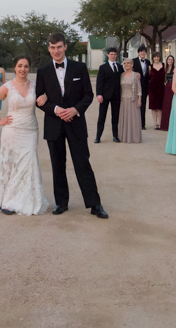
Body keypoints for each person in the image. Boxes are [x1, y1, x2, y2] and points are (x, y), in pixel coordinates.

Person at [35, 32, 108, 219]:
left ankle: (94, 204)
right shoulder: (42, 72)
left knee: (82, 163)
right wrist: (57, 109)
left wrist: (75, 110)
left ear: (65, 47)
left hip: (76, 123)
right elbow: (39, 100)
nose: (56, 51)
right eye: (52, 48)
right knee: (57, 164)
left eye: (59, 47)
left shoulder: (80, 68)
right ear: (48, 48)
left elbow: (88, 95)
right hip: (54, 125)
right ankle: (61, 202)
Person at [0, 55, 50, 215]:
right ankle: (8, 202)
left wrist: (45, 95)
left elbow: (48, 95)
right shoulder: (8, 87)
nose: (23, 69)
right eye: (20, 66)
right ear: (14, 68)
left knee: (28, 163)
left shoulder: (36, 86)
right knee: (12, 164)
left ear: (29, 69)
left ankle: (27, 200)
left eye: (26, 66)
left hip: (30, 130)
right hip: (12, 130)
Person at [95, 47, 122, 143]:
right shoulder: (103, 67)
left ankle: (115, 136)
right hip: (105, 95)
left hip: (116, 95)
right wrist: (99, 94)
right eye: (111, 54)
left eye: (115, 54)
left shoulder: (120, 67)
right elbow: (99, 82)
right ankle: (98, 136)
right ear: (108, 55)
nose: (113, 56)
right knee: (102, 116)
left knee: (115, 117)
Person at [117, 58, 143, 143]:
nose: (126, 65)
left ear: (132, 65)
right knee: (125, 118)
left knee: (133, 118)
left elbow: (139, 88)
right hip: (123, 100)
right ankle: (124, 136)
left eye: (128, 63)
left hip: (133, 99)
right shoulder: (121, 75)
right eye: (124, 63)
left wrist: (139, 99)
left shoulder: (135, 75)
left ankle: (134, 137)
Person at [132, 45, 151, 129]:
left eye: (144, 51)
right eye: (141, 51)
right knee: (135, 104)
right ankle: (134, 123)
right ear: (138, 52)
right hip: (135, 86)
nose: (143, 53)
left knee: (143, 105)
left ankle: (142, 124)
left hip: (145, 86)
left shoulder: (148, 62)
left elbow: (149, 74)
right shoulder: (133, 61)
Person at [148, 52, 166, 129]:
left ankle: (160, 122)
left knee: (160, 107)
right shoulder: (150, 67)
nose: (156, 58)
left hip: (161, 88)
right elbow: (148, 77)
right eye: (155, 57)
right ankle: (156, 124)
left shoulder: (164, 65)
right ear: (153, 58)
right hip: (153, 88)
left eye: (158, 57)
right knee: (154, 107)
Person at [158, 55, 175, 131]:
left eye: (171, 59)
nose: (170, 61)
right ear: (167, 60)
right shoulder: (165, 69)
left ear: (173, 61)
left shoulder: (175, 69)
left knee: (172, 105)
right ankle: (165, 125)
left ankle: (173, 125)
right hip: (167, 87)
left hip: (173, 87)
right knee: (166, 105)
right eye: (169, 59)